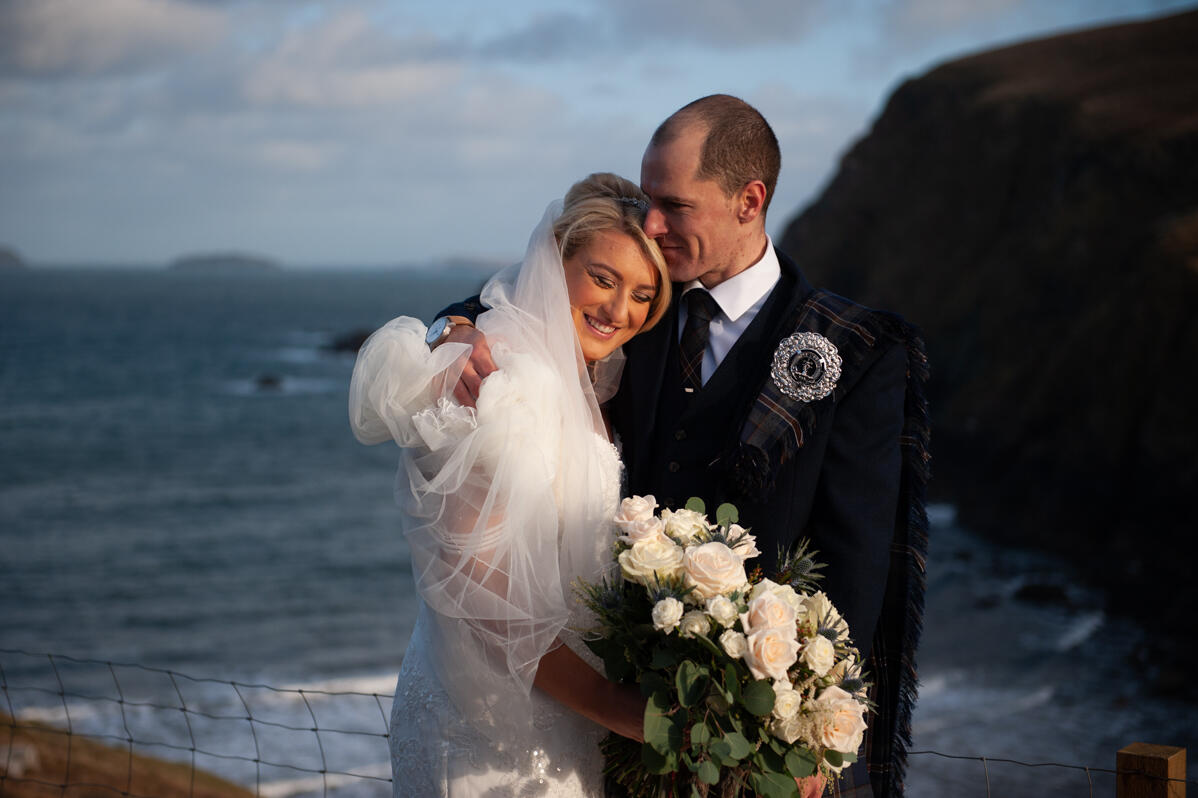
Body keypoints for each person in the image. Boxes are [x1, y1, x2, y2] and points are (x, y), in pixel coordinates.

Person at [440, 96, 930, 798]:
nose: (652, 223)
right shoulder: (633, 307)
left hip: (753, 737)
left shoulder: (855, 351)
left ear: (748, 200)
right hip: (614, 726)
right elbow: (513, 305)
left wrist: (823, 732)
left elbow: (855, 561)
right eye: (648, 201)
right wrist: (449, 331)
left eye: (674, 205)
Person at [349, 173, 671, 797]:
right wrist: (622, 712)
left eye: (641, 293)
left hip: (564, 711)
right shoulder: (504, 379)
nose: (618, 310)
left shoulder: (592, 382)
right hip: (492, 731)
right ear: (555, 258)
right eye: (602, 279)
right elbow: (488, 597)